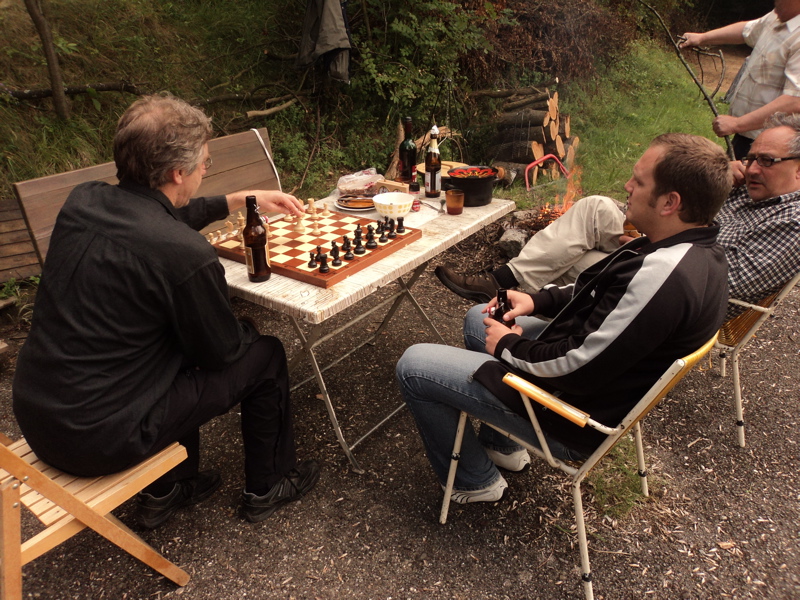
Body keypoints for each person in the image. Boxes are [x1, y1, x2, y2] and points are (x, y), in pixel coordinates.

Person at [12, 94, 320, 528]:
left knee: (170, 342)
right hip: (100, 439)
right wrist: (245, 330)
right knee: (264, 355)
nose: (205, 170)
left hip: (41, 418)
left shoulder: (85, 201)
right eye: (205, 164)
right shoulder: (185, 255)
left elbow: (156, 215)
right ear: (178, 172)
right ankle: (269, 485)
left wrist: (238, 199)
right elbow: (222, 353)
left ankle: (168, 490)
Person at [398, 133, 731, 503]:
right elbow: (600, 289)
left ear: (670, 202)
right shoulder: (692, 248)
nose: (627, 186)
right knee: (481, 317)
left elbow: (577, 367)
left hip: (571, 416)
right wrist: (536, 300)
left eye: (639, 181)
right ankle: (502, 446)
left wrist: (509, 346)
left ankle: (474, 481)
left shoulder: (665, 278)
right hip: (592, 384)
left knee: (415, 365)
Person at [436, 112, 800, 320]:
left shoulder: (792, 224)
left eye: (767, 161)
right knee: (594, 207)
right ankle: (502, 283)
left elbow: (720, 282)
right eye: (752, 157)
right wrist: (723, 182)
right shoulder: (751, 189)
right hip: (666, 246)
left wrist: (650, 244)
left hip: (671, 286)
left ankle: (524, 322)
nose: (753, 168)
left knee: (569, 261)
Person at [679, 1, 800, 158]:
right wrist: (702, 38)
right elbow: (746, 31)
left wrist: (737, 124)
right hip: (749, 136)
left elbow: (794, 100)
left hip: (775, 150)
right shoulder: (776, 17)